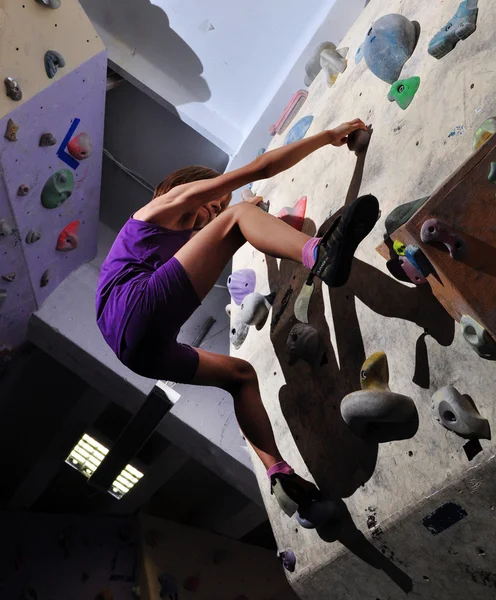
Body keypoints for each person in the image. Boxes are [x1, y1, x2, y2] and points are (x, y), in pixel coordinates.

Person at [96, 118, 379, 520]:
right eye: (211, 203)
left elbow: (229, 232)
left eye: (216, 210)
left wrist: (249, 218)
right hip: (133, 310)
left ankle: (277, 471)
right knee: (239, 219)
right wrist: (328, 137)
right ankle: (320, 254)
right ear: (180, 187)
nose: (210, 212)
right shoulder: (158, 207)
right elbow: (259, 169)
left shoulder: (179, 242)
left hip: (139, 353)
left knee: (240, 375)